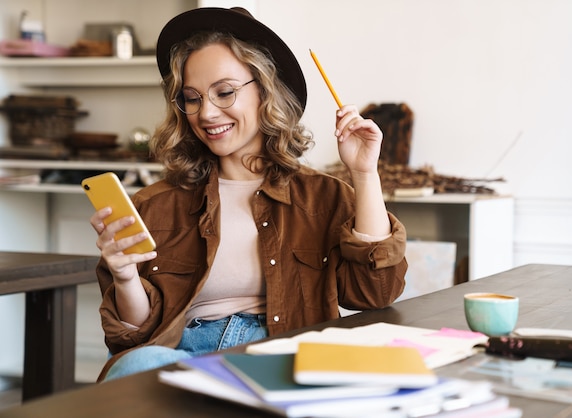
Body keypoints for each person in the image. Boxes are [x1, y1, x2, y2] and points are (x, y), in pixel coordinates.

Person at [90, 7, 408, 382]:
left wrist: (364, 173)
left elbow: (376, 293)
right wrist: (126, 277)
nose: (206, 113)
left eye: (224, 92)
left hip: (279, 355)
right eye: (191, 98)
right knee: (134, 366)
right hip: (182, 359)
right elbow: (133, 336)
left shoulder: (323, 198)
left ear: (265, 91)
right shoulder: (153, 206)